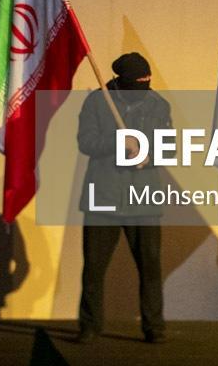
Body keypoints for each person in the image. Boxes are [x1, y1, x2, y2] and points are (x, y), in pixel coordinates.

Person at [76, 52, 171, 344]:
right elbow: (86, 142)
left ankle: (154, 327)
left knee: (150, 266)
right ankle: (90, 326)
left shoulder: (158, 105)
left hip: (143, 198)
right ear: (123, 80)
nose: (146, 85)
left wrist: (149, 154)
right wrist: (120, 142)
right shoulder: (97, 102)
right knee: (94, 267)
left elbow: (169, 148)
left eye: (148, 80)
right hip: (103, 196)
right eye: (140, 81)